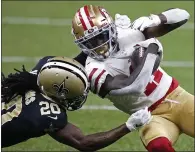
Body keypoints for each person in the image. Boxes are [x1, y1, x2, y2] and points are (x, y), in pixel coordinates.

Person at [71, 5, 194, 152]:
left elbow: (183, 15)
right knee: (158, 146)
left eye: (101, 36)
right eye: (91, 41)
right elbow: (134, 87)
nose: (99, 45)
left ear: (111, 29)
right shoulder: (92, 71)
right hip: (149, 116)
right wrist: (151, 51)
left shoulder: (127, 33)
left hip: (178, 98)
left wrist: (155, 18)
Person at [1, 56, 152, 150]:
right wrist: (128, 126)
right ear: (57, 93)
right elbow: (84, 142)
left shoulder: (42, 73)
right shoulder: (48, 114)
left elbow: (67, 68)